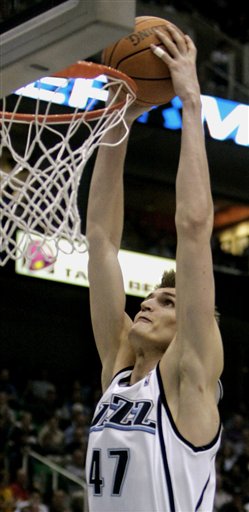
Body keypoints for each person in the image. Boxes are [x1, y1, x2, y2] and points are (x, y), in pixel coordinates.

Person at [85, 25, 224, 512]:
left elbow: (193, 226)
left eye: (169, 302)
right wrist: (118, 120)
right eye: (154, 295)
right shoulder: (118, 371)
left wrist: (190, 103)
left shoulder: (190, 382)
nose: (147, 301)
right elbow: (101, 240)